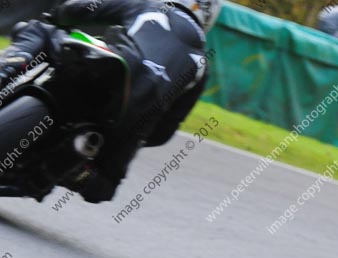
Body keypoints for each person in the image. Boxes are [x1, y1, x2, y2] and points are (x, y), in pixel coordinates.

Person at [0, 0, 221, 202]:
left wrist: (56, 17)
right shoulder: (201, 66)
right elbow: (163, 133)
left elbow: (79, 9)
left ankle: (6, 69)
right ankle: (74, 165)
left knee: (39, 30)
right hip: (129, 123)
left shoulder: (151, 7)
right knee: (103, 187)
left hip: (106, 70)